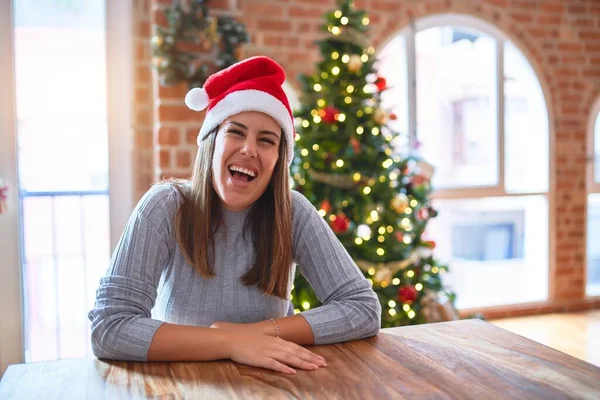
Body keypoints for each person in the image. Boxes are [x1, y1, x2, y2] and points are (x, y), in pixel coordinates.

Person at [89, 56, 381, 375]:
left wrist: (257, 334)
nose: (249, 150)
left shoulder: (293, 210)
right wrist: (231, 343)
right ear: (212, 142)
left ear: (279, 160)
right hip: (182, 382)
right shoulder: (164, 205)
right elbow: (110, 327)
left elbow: (362, 308)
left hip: (272, 383)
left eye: (266, 140)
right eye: (236, 132)